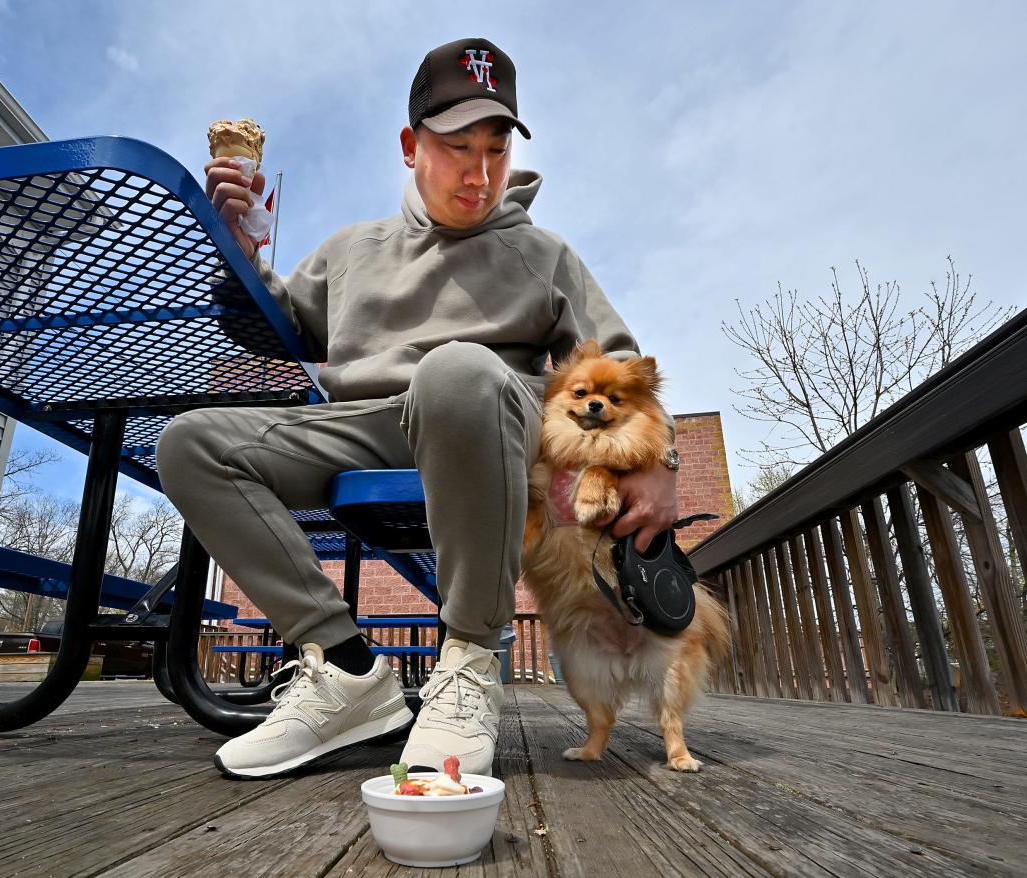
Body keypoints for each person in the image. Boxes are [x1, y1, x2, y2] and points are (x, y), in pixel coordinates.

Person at [156, 37, 679, 780]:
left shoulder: (544, 254)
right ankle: (345, 670)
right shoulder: (351, 249)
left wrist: (660, 460)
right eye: (457, 146)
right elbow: (271, 329)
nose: (480, 171)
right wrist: (237, 251)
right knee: (190, 443)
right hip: (370, 426)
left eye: (496, 149)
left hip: (486, 420)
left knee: (457, 371)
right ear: (410, 145)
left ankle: (467, 662)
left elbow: (618, 366)